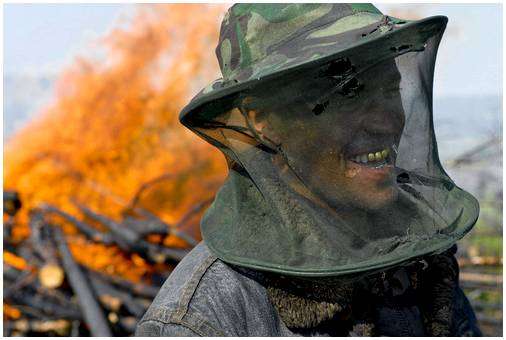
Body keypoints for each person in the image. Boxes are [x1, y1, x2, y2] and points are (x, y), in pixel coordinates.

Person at [136, 4, 482, 336]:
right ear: (263, 121)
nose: (386, 120)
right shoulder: (208, 317)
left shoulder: (417, 264)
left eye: (389, 88)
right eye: (347, 93)